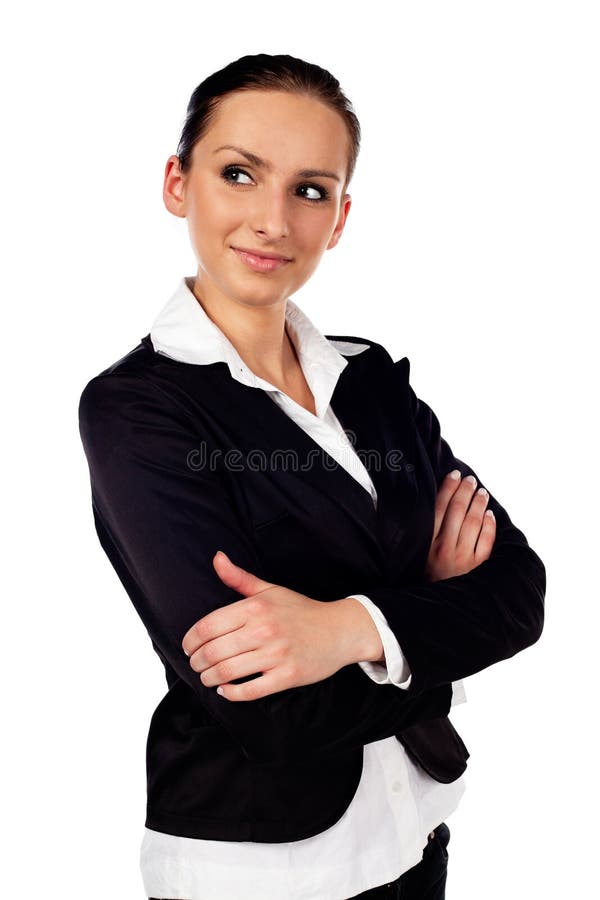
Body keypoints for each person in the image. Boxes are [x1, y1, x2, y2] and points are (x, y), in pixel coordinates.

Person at [78, 53, 546, 900]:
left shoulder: (368, 379)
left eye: (309, 190)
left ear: (339, 217)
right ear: (178, 184)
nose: (273, 220)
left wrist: (345, 632)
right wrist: (434, 613)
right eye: (238, 174)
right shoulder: (136, 411)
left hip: (416, 826)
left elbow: (521, 593)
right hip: (261, 866)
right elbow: (272, 715)